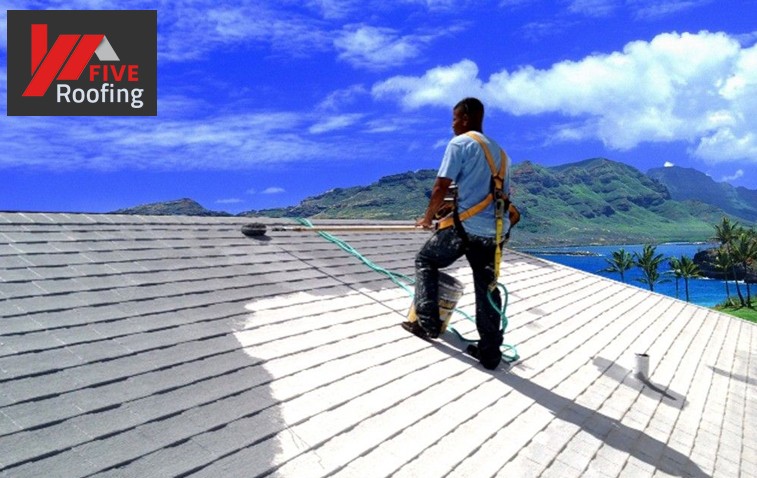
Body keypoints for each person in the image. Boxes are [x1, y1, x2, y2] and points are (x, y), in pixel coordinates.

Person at [402, 97, 511, 370]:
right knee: (487, 288)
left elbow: (441, 187)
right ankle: (490, 354)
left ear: (465, 118)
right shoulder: (501, 154)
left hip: (469, 229)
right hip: (495, 232)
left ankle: (427, 324)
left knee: (425, 260)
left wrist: (428, 218)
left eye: (453, 120)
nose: (452, 126)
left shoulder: (460, 143)